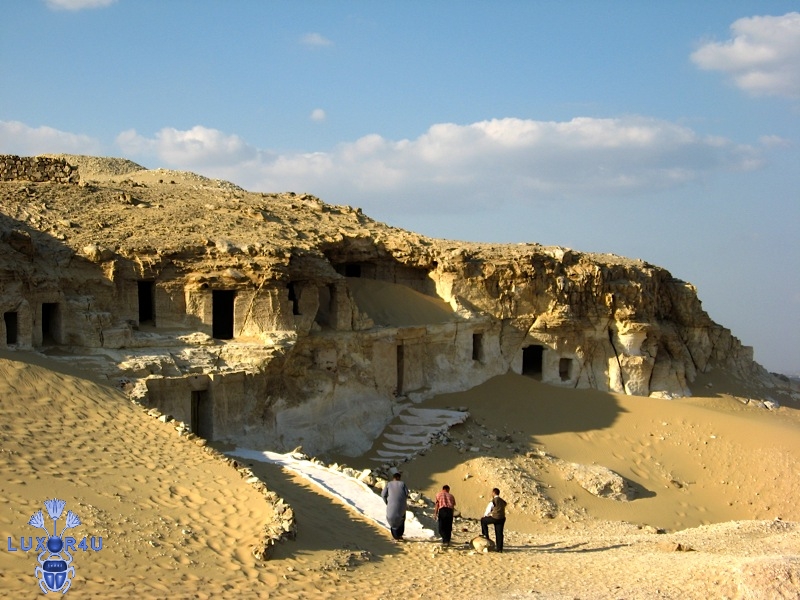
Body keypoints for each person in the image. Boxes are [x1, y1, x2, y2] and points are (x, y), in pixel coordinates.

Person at [381, 472, 409, 541]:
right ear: (399, 478)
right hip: (401, 507)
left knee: (392, 520)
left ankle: (395, 536)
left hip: (390, 507)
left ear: (393, 478)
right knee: (402, 519)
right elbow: (407, 493)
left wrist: (387, 502)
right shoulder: (402, 484)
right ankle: (399, 535)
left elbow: (383, 494)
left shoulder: (388, 484)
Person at [480, 487, 507, 552]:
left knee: (483, 520)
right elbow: (505, 504)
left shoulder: (494, 500)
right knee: (499, 533)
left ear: (494, 493)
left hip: (495, 517)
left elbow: (488, 509)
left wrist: (485, 516)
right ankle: (499, 549)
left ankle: (486, 535)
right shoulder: (502, 500)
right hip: (502, 518)